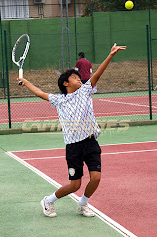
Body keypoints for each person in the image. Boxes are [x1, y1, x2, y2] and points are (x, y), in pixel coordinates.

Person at [19, 43, 126, 218]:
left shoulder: (85, 91)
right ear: (65, 83)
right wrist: (26, 82)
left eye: (79, 77)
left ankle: (83, 203)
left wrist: (111, 55)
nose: (79, 79)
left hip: (91, 142)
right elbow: (39, 92)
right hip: (73, 147)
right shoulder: (59, 100)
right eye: (75, 77)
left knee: (96, 178)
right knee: (74, 185)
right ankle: (48, 200)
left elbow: (98, 73)